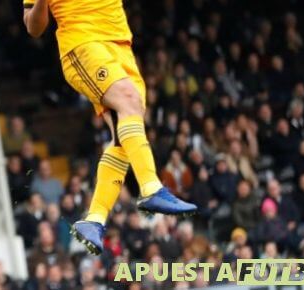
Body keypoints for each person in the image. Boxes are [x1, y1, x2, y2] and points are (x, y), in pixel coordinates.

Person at [23, 0, 197, 254]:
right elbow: (33, 27)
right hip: (83, 44)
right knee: (128, 100)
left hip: (120, 45)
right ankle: (151, 188)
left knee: (125, 133)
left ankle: (94, 220)